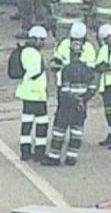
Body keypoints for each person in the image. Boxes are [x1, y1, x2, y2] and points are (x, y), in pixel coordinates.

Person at [42, 39, 97, 166]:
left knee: (59, 131)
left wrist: (74, 100)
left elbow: (65, 90)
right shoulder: (87, 70)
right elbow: (92, 89)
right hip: (81, 107)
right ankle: (71, 157)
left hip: (67, 106)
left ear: (72, 53)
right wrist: (83, 100)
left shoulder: (67, 69)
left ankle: (54, 157)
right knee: (76, 132)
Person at [14, 25, 49, 161]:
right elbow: (34, 73)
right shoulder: (33, 53)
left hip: (28, 93)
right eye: (41, 40)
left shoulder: (25, 51)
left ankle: (25, 150)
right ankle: (39, 152)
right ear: (34, 39)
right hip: (36, 94)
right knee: (42, 123)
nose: (43, 43)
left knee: (27, 122)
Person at [52, 21, 97, 87]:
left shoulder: (89, 47)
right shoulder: (64, 44)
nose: (76, 42)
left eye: (79, 40)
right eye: (73, 39)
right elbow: (56, 62)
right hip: (64, 83)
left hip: (82, 83)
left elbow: (91, 68)